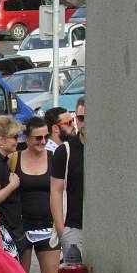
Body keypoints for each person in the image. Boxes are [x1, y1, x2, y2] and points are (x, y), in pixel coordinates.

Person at [11, 116, 59, 273]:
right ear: (27, 138)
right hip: (21, 226)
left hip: (48, 225)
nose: (43, 141)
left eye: (45, 137)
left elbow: (62, 190)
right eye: (38, 138)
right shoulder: (15, 158)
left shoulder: (54, 158)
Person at [0, 114, 26, 257]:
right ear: (1, 141)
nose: (18, 140)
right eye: (14, 137)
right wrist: (12, 185)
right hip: (6, 229)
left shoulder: (1, 161)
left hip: (12, 226)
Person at [51, 97, 86, 257]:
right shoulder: (65, 151)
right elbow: (56, 191)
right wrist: (61, 229)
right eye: (81, 118)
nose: (84, 122)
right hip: (74, 226)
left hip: (105, 227)